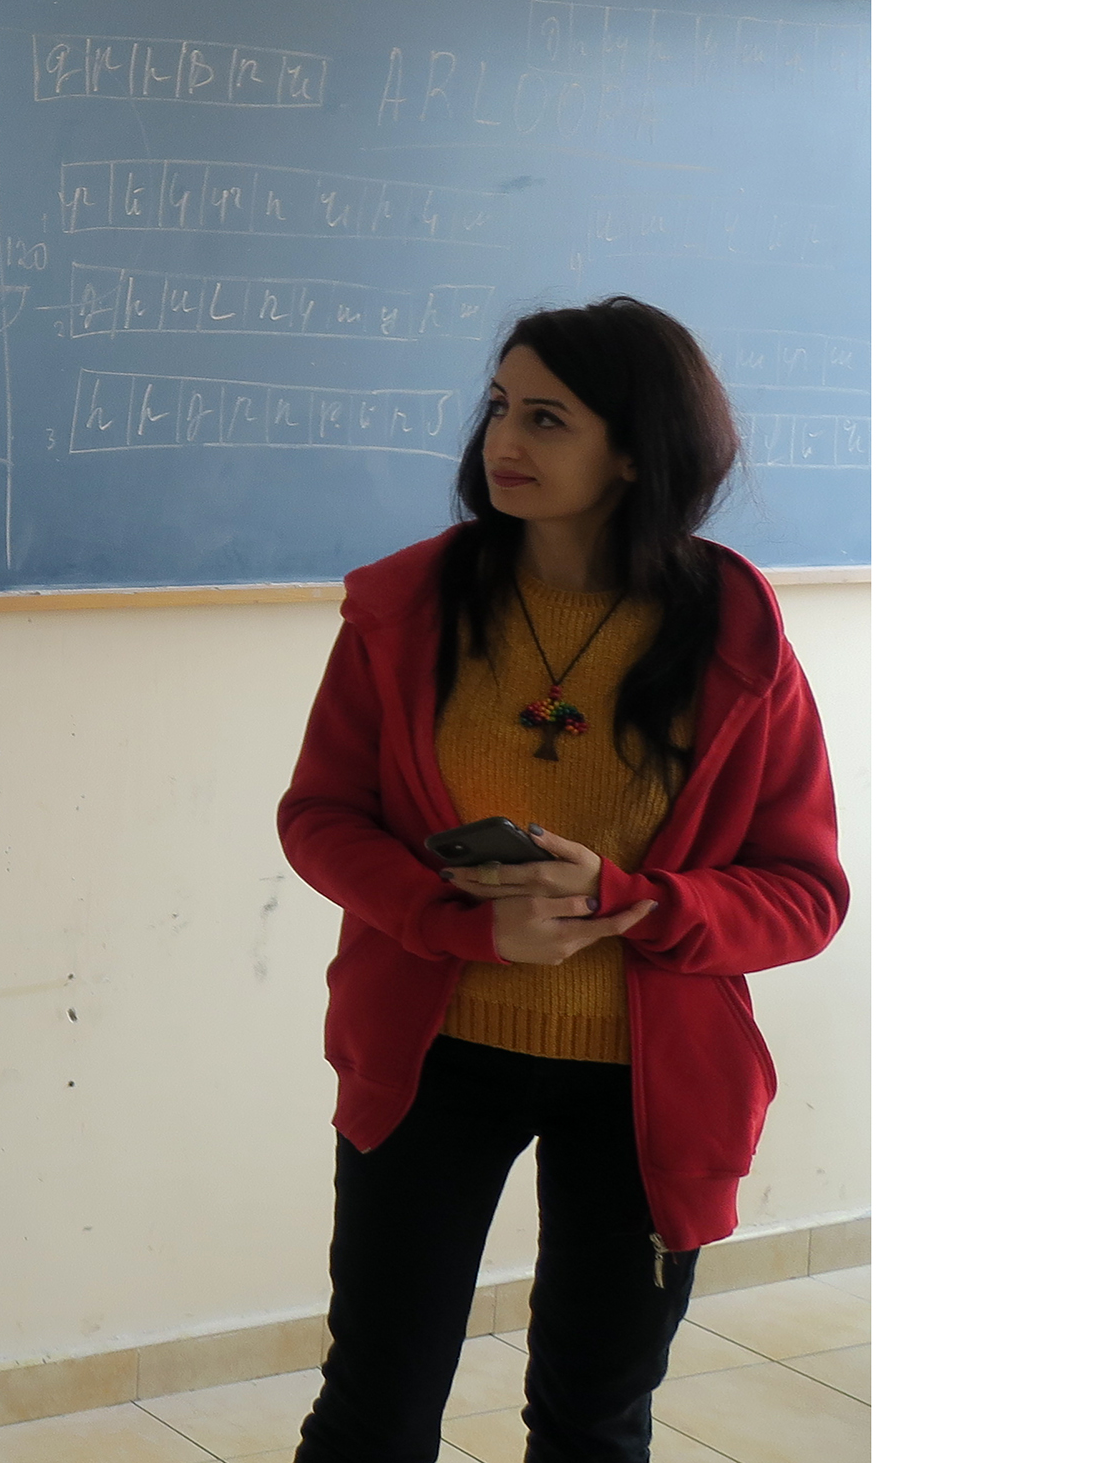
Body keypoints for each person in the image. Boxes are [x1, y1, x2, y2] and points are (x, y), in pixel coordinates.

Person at [277, 298, 845, 1463]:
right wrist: (461, 925)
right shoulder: (402, 610)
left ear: (635, 450)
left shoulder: (733, 637)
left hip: (648, 1082)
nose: (503, 439)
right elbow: (320, 819)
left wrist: (642, 901)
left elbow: (804, 891)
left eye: (546, 418)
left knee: (592, 1423)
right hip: (428, 1056)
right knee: (373, 1409)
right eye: (498, 407)